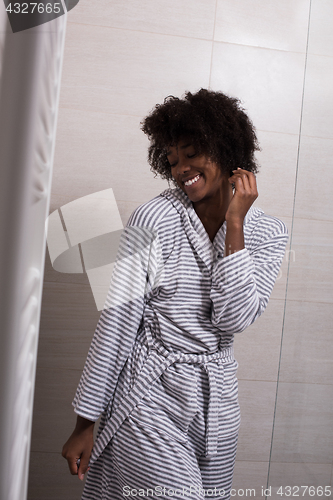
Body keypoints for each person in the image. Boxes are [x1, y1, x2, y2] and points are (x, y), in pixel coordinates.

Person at [62, 89, 288, 499]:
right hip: (150, 391)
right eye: (172, 160)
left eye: (191, 154)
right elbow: (117, 323)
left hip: (216, 402)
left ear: (225, 148)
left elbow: (234, 319)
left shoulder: (268, 233)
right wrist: (85, 422)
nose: (181, 168)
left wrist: (235, 224)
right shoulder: (154, 217)